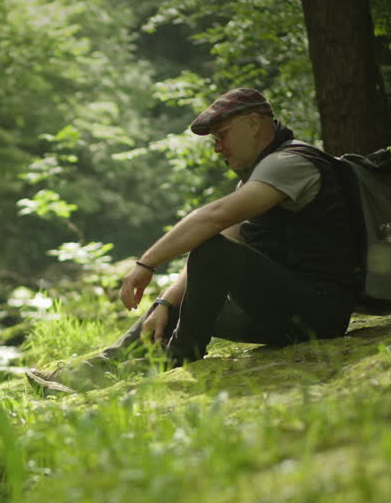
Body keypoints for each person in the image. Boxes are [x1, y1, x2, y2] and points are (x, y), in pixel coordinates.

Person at [29, 88, 360, 392]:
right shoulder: (262, 176)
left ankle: (177, 358)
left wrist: (146, 264)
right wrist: (164, 303)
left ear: (255, 123)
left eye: (222, 135)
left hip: (319, 314)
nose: (217, 147)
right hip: (286, 315)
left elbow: (212, 222)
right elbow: (222, 242)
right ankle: (90, 373)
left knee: (210, 248)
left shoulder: (290, 164)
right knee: (178, 299)